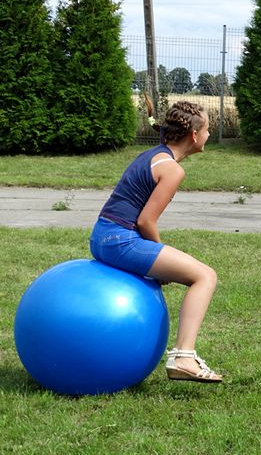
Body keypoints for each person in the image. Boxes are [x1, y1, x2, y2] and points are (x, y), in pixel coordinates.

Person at [90, 101, 222, 383]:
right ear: (195, 136)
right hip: (119, 240)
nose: (209, 135)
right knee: (204, 276)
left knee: (193, 272)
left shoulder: (154, 155)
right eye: (208, 129)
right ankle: (184, 357)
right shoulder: (172, 170)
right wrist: (156, 261)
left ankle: (183, 356)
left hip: (102, 236)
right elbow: (146, 221)